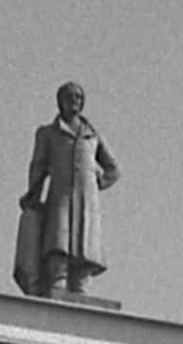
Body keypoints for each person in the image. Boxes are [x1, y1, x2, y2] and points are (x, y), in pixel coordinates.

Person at [15, 84, 119, 298]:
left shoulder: (92, 135)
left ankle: (81, 285)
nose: (75, 100)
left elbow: (114, 168)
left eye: (79, 97)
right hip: (60, 195)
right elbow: (38, 166)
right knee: (58, 236)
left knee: (85, 240)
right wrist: (33, 192)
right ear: (60, 101)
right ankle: (58, 280)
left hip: (87, 198)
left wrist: (99, 182)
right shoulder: (48, 133)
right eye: (70, 96)